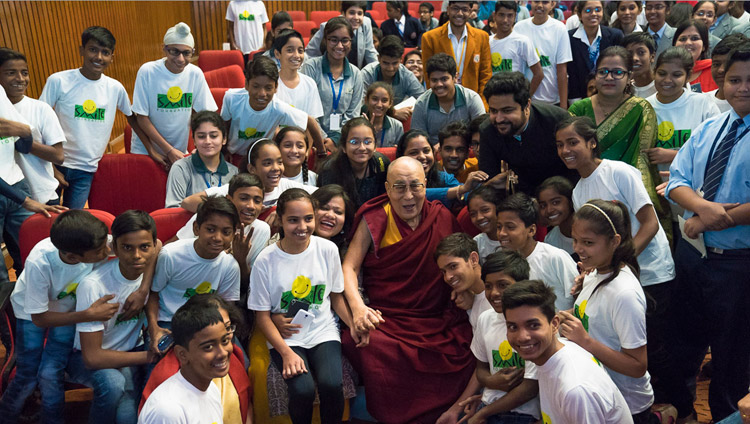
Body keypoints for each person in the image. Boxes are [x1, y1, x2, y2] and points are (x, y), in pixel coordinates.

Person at [555, 115, 677, 407]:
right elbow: (591, 242)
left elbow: (649, 223)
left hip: (650, 272)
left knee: (656, 351)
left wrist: (617, 264)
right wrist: (590, 272)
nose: (565, 150)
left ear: (592, 143)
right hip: (616, 271)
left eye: (573, 142)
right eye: (559, 145)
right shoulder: (578, 191)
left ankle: (676, 409)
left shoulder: (619, 172)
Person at [341, 157, 474, 422]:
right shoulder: (375, 217)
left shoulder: (441, 216)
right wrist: (358, 308)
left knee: (467, 342)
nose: (408, 195)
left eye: (415, 186)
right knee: (365, 343)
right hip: (389, 316)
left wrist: (465, 290)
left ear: (426, 185)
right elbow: (349, 268)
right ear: (388, 189)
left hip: (435, 314)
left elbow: (462, 264)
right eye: (400, 187)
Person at [665, 44, 750, 422]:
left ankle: (724, 417)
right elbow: (676, 181)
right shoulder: (712, 126)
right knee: (682, 343)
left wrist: (716, 219)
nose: (743, 88)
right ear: (721, 81)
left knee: (732, 356)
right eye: (735, 80)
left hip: (738, 264)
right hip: (693, 256)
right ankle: (682, 412)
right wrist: (702, 211)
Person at [249, 188, 361, 424]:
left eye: (308, 219)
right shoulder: (265, 261)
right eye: (293, 220)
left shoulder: (327, 250)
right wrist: (286, 352)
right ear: (280, 220)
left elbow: (335, 296)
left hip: (322, 330)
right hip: (287, 336)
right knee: (303, 390)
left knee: (332, 384)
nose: (302, 226)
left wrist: (352, 325)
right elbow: (262, 316)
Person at [0, 210, 118, 424]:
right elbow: (39, 318)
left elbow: (154, 243)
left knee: (51, 373)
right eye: (100, 251)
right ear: (73, 257)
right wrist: (87, 315)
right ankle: (6, 416)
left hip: (68, 312)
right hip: (32, 313)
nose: (108, 251)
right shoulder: (41, 262)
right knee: (27, 375)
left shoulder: (95, 241)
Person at [560, 200, 659, 422]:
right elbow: (596, 319)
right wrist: (567, 316)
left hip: (627, 404)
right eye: (575, 240)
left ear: (614, 241)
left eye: (588, 242)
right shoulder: (595, 273)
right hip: (600, 393)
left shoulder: (623, 293)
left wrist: (585, 341)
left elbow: (637, 366)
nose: (578, 249)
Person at [68, 210, 159, 424]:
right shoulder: (93, 285)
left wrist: (143, 290)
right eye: (127, 247)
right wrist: (149, 357)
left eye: (144, 247)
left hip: (129, 350)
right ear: (114, 247)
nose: (137, 255)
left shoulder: (156, 268)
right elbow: (92, 358)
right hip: (87, 357)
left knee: (127, 417)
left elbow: (161, 244)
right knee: (112, 384)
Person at [568, 46, 670, 235]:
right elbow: (571, 153)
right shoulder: (578, 110)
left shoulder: (641, 109)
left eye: (617, 72)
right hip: (588, 186)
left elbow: (642, 158)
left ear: (629, 76)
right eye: (603, 72)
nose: (609, 78)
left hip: (628, 190)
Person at [502, 280, 634, 424]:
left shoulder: (576, 390)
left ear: (554, 324)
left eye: (533, 325)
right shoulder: (556, 351)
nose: (522, 337)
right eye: (513, 327)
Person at [39, 26, 140, 209]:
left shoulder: (115, 88)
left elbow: (133, 118)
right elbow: (39, 122)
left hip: (86, 169)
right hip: (53, 164)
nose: (99, 57)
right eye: (93, 49)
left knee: (74, 221)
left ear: (112, 57)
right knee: (48, 218)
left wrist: (153, 150)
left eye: (105, 52)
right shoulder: (58, 81)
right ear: (81, 50)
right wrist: (50, 168)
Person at [445, 249, 541, 424]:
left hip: (521, 414)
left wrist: (481, 414)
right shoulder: (485, 319)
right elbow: (481, 366)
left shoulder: (534, 323)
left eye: (503, 285)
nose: (494, 293)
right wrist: (492, 381)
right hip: (487, 405)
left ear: (522, 284)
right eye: (488, 286)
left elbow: (530, 387)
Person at [146, 196, 241, 357]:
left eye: (226, 232)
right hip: (169, 322)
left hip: (209, 323)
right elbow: (153, 293)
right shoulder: (171, 255)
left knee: (240, 363)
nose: (218, 238)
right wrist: (153, 327)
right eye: (210, 229)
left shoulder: (230, 265)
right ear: (196, 228)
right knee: (160, 367)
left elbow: (227, 307)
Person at [175, 173, 271, 304]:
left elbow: (248, 286)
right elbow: (175, 251)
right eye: (244, 198)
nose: (251, 206)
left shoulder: (261, 230)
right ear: (229, 199)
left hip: (229, 296)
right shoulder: (209, 217)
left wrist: (241, 260)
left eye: (257, 201)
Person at [645, 46, 720, 214]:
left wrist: (673, 155)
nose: (667, 80)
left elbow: (717, 153)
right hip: (655, 198)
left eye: (676, 75)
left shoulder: (703, 104)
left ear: (688, 76)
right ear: (653, 72)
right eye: (662, 73)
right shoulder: (644, 107)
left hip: (694, 195)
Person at [131, 22, 217, 167]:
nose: (181, 59)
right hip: (147, 151)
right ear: (164, 48)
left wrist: (201, 145)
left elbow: (206, 116)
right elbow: (142, 118)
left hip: (178, 152)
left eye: (186, 53)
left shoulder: (195, 73)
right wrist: (168, 150)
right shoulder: (147, 71)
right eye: (174, 51)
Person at [138, 295, 234, 424]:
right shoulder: (168, 411)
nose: (222, 353)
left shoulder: (211, 390)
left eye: (225, 341)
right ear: (182, 354)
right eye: (208, 347)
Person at [479, 71, 577, 196]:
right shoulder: (488, 130)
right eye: (493, 111)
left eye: (507, 110)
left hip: (564, 191)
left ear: (527, 105)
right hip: (521, 197)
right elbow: (488, 180)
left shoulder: (557, 120)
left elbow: (577, 166)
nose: (499, 119)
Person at [222, 56, 324, 164]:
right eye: (256, 86)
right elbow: (224, 125)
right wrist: (224, 150)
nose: (262, 93)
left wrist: (321, 153)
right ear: (247, 85)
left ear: (276, 88)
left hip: (262, 159)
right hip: (234, 155)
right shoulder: (232, 98)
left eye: (268, 88)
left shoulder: (279, 109)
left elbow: (310, 121)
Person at [0, 48, 65, 206]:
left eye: (24, 72)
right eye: (11, 73)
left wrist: (24, 139)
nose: (20, 79)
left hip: (43, 194)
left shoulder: (41, 109)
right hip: (9, 196)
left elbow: (58, 156)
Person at [496, 193, 578, 312]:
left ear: (531, 230)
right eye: (499, 227)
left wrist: (557, 320)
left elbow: (581, 300)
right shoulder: (503, 266)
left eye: (510, 227)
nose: (502, 233)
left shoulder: (554, 258)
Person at [301, 17, 364, 147]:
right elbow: (307, 111)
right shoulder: (310, 68)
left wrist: (336, 140)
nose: (340, 46)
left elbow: (353, 114)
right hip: (312, 140)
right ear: (325, 40)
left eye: (345, 40)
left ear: (351, 42)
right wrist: (323, 139)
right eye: (334, 40)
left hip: (343, 141)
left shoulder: (356, 74)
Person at [421, 0, 492, 103]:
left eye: (464, 9)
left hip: (472, 101)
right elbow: (428, 75)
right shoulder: (430, 38)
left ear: (470, 12)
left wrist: (482, 104)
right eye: (455, 8)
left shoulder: (482, 37)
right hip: (442, 100)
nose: (459, 13)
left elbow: (485, 75)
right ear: (448, 10)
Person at [397, 129, 486, 209]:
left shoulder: (444, 178)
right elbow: (417, 193)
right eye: (414, 152)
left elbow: (467, 195)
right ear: (401, 157)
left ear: (434, 153)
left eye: (426, 151)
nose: (422, 156)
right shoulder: (394, 181)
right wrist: (460, 189)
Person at [165, 111, 238, 208]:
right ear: (194, 140)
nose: (207, 141)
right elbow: (172, 209)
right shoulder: (181, 168)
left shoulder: (234, 172)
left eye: (214, 136)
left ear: (224, 139)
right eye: (201, 136)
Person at [411, 53, 485, 146]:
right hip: (435, 154)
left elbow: (482, 133)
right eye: (434, 80)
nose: (439, 84)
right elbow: (418, 140)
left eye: (444, 79)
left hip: (466, 150)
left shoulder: (472, 98)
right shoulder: (421, 104)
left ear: (455, 77)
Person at [317, 117, 390, 208]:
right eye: (354, 142)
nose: (362, 148)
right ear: (343, 147)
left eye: (367, 142)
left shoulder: (382, 163)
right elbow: (328, 208)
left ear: (375, 146)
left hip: (374, 218)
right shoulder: (330, 170)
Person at [513, 0, 572, 108]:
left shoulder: (559, 29)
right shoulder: (519, 27)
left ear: (552, 5)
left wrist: (563, 107)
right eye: (536, 1)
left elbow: (562, 70)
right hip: (526, 100)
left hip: (552, 100)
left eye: (545, 2)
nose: (540, 5)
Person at [568, 1, 624, 103]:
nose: (594, 14)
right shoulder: (569, 38)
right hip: (579, 96)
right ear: (580, 15)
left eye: (598, 10)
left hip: (611, 95)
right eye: (588, 10)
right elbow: (571, 73)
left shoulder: (615, 36)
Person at [434, 232, 493, 329]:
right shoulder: (467, 300)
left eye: (453, 266)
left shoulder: (498, 298)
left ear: (473, 259)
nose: (448, 277)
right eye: (444, 272)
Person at [360, 35, 425, 120]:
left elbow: (423, 100)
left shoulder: (406, 75)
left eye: (394, 63)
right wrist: (393, 112)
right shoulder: (367, 73)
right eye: (386, 63)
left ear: (401, 59)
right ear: (378, 58)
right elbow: (358, 105)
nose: (390, 68)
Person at [273, 29, 325, 131]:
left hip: (302, 143)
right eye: (290, 50)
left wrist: (306, 147)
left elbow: (311, 123)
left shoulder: (310, 84)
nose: (296, 55)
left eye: (300, 51)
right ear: (277, 53)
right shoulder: (271, 84)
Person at [489, 1, 543, 98]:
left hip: (515, 99)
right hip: (493, 98)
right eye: (501, 15)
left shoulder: (522, 41)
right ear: (494, 16)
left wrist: (525, 98)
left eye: (510, 16)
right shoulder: (487, 42)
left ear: (515, 17)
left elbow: (539, 74)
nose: (505, 20)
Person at [305, 0, 378, 69]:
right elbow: (310, 53)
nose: (356, 18)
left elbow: (370, 53)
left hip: (355, 73)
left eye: (360, 13)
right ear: (343, 13)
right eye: (351, 13)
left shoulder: (366, 24)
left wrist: (378, 70)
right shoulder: (327, 27)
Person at [706, 33, 749, 113]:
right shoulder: (703, 101)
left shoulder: (745, 100)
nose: (721, 70)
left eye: (727, 64)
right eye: (716, 64)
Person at [673, 20, 717, 92]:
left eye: (694, 38)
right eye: (683, 39)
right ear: (674, 45)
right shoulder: (666, 70)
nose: (688, 43)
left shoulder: (714, 70)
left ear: (704, 46)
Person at [537, 176, 576, 256]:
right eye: (543, 206)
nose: (549, 210)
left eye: (555, 202)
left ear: (571, 201)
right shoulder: (550, 241)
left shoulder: (591, 230)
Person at [363, 82, 404, 148]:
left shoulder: (397, 126)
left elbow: (400, 153)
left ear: (390, 103)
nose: (379, 105)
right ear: (366, 100)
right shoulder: (356, 124)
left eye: (384, 100)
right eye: (375, 99)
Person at [467, 185, 502, 263]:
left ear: (498, 208)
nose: (479, 217)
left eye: (485, 210)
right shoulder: (477, 243)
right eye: (473, 214)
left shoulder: (512, 238)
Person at [623, 33, 658, 99]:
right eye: (629, 54)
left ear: (652, 56)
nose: (634, 58)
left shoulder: (661, 86)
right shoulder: (624, 89)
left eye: (641, 52)